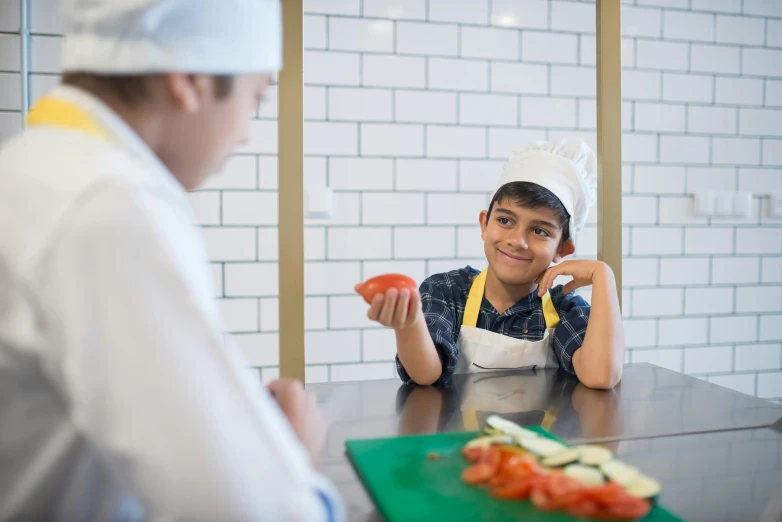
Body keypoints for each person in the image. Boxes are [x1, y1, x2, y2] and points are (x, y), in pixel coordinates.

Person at [0, 1, 343, 520]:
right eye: (256, 97)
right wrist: (295, 455)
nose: (248, 131)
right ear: (189, 81)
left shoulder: (31, 165)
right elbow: (252, 511)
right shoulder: (110, 204)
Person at [358, 138, 625, 390]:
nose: (517, 241)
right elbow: (427, 375)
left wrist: (603, 275)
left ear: (563, 249)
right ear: (485, 224)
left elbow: (601, 376)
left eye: (539, 231)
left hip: (534, 438)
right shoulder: (446, 291)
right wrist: (408, 323)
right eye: (505, 221)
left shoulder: (563, 308)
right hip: (461, 438)